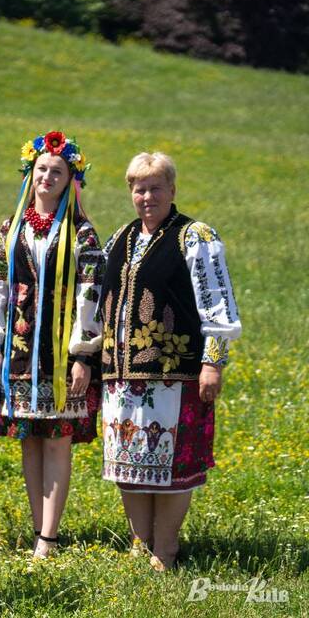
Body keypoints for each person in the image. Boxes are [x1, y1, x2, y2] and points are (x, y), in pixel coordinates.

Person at [100, 152, 241, 571]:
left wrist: (213, 361)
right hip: (122, 376)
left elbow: (217, 302)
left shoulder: (194, 236)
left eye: (155, 187)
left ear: (172, 190)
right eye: (139, 188)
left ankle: (166, 548)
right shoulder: (119, 238)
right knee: (129, 464)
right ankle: (140, 544)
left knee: (172, 465)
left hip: (175, 374)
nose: (147, 196)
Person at [0, 131, 104, 558]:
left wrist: (81, 355)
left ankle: (49, 537)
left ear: (71, 179)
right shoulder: (8, 229)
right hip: (18, 349)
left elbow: (90, 294)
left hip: (60, 352)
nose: (47, 177)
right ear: (29, 176)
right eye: (41, 170)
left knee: (56, 438)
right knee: (30, 438)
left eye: (57, 171)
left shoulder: (83, 234)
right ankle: (39, 529)